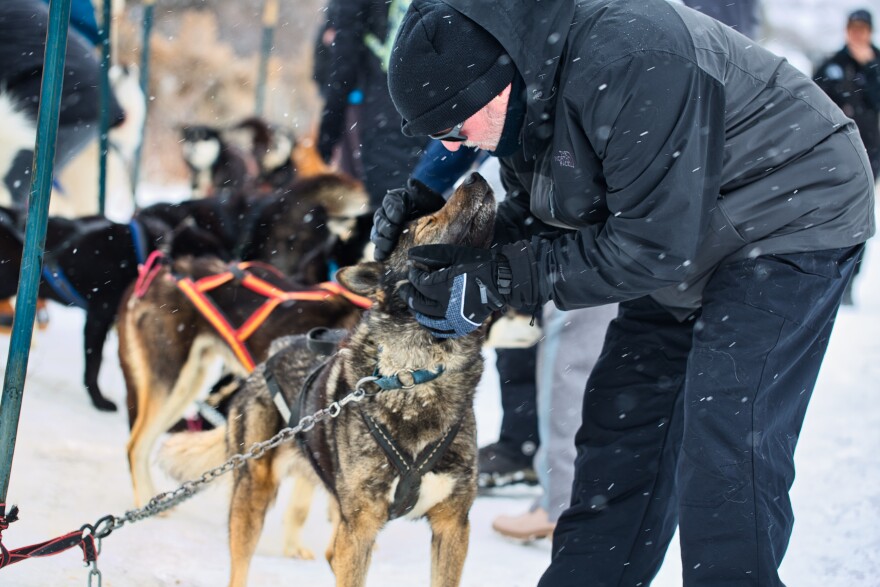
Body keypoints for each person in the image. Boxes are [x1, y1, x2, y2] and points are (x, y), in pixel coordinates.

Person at [373, 0, 875, 585]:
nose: (455, 149)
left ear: (493, 84)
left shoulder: (632, 56)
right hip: (678, 232)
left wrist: (500, 277)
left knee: (726, 443)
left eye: (455, 128)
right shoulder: (524, 93)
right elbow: (553, 217)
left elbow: (652, 249)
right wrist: (454, 251)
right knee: (623, 430)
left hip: (789, 214)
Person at [315, 0, 427, 209]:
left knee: (391, 212)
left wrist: (329, 128)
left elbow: (344, 59)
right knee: (429, 206)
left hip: (386, 116)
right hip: (433, 111)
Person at [813, 8, 879, 306]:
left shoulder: (876, 64)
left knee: (859, 216)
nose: (857, 34)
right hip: (840, 154)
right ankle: (830, 276)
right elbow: (816, 101)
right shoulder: (833, 64)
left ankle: (850, 278)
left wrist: (870, 69)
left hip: (873, 155)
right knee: (831, 213)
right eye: (853, 27)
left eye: (863, 28)